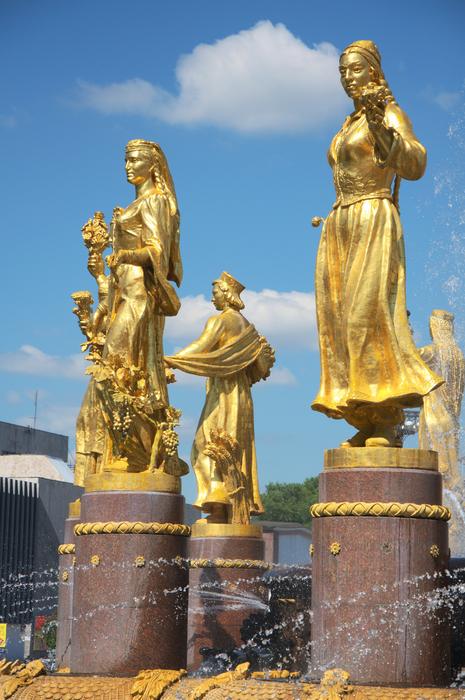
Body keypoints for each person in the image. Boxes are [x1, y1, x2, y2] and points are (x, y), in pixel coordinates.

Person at [311, 40, 442, 447]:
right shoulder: (347, 123)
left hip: (373, 215)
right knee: (339, 321)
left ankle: (386, 416)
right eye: (343, 72)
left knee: (367, 316)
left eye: (355, 69)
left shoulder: (388, 113)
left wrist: (384, 131)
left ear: (373, 71)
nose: (348, 78)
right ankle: (365, 416)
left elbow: (415, 163)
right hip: (340, 223)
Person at [75, 139, 183, 482]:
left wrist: (124, 255)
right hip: (124, 294)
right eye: (125, 160)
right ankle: (122, 452)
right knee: (117, 373)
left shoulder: (154, 202)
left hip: (140, 299)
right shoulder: (135, 204)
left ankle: (135, 453)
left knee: (120, 372)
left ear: (153, 165)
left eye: (134, 160)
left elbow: (157, 252)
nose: (127, 166)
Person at [165, 272, 274, 521]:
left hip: (223, 393)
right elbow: (259, 368)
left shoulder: (221, 321)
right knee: (235, 446)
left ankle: (217, 502)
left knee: (207, 444)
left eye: (214, 293)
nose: (212, 298)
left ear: (226, 293)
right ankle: (230, 507)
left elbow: (202, 347)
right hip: (242, 396)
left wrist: (173, 360)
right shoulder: (249, 327)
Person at [419, 310, 465, 487]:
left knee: (433, 473)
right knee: (451, 476)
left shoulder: (433, 351)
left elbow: (407, 356)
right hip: (452, 423)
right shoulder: (459, 357)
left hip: (434, 419)